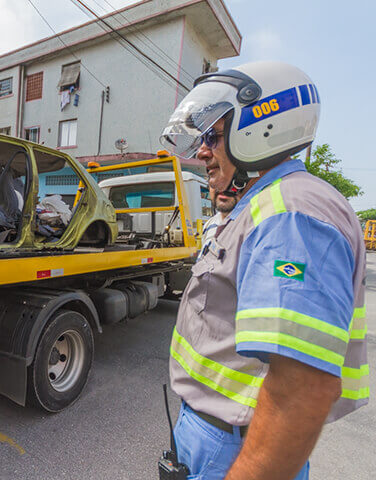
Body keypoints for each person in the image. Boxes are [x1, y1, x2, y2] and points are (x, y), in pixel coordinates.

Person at [160, 61, 368, 480]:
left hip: (235, 447)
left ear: (262, 127)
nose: (202, 151)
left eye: (212, 136)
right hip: (219, 435)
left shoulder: (290, 215)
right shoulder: (263, 207)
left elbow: (301, 391)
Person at [199, 187, 237, 258]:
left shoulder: (252, 224)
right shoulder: (210, 224)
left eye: (233, 180)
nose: (222, 188)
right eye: (213, 176)